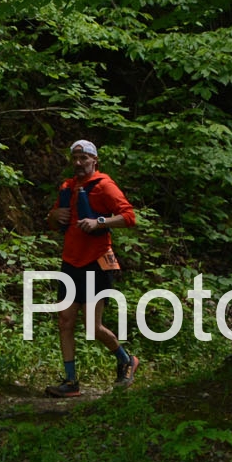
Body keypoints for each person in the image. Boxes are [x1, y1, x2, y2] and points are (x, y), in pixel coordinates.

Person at [44, 139, 139, 397]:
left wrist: (100, 222)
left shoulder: (104, 186)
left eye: (84, 158)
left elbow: (129, 217)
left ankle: (126, 360)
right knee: (65, 321)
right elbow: (54, 222)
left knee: (92, 327)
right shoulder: (67, 187)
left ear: (94, 160)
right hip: (71, 262)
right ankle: (70, 382)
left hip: (96, 262)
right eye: (75, 158)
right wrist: (53, 216)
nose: (78, 163)